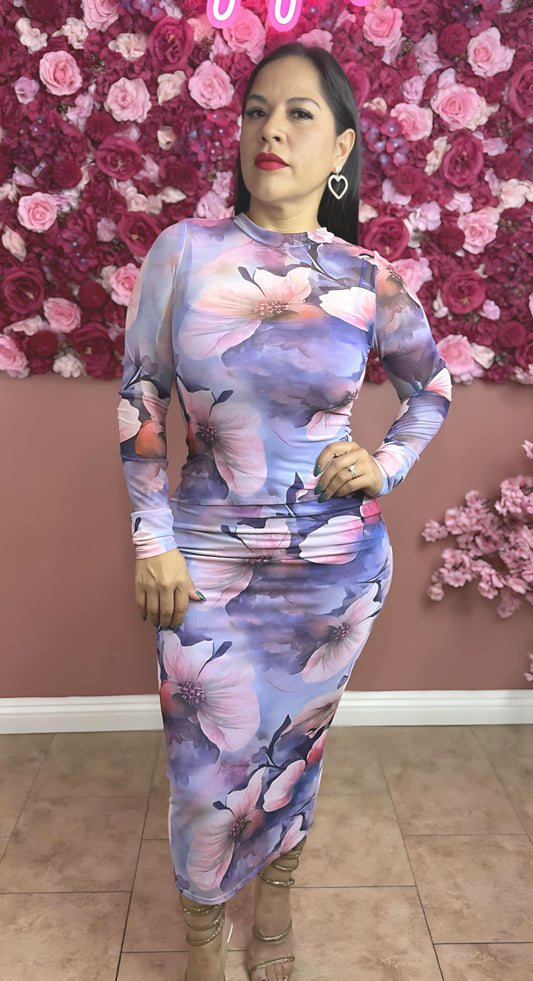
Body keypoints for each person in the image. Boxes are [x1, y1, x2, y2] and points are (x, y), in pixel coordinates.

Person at [117, 40, 452, 981]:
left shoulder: (365, 277)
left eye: (300, 113)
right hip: (202, 557)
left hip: (332, 569)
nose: (271, 128)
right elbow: (141, 396)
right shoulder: (184, 251)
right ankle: (203, 941)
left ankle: (275, 909)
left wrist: (382, 464)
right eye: (257, 109)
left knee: (294, 752)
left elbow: (432, 388)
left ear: (340, 148)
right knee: (201, 773)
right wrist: (151, 538)